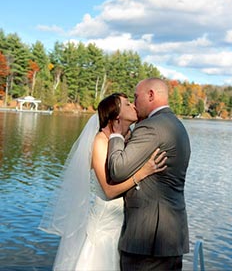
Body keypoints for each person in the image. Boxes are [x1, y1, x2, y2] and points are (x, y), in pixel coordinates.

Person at [39, 92, 167, 271]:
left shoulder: (129, 139)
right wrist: (143, 172)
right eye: (128, 104)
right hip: (103, 229)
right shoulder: (100, 141)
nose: (134, 106)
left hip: (123, 228)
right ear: (116, 115)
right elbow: (109, 191)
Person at [108, 79, 191, 271]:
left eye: (136, 97)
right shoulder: (177, 125)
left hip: (148, 239)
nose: (135, 104)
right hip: (172, 236)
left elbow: (118, 170)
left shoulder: (151, 127)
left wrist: (117, 135)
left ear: (151, 95)